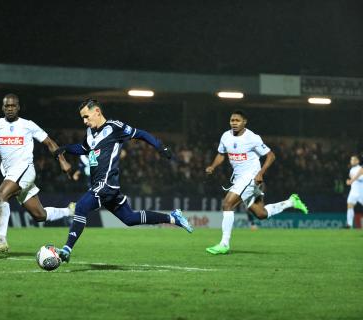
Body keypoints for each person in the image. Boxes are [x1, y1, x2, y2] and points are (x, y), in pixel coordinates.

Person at [53, 99, 193, 262]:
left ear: (97, 111)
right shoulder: (91, 133)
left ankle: (66, 250)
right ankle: (174, 218)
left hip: (105, 185)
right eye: (82, 118)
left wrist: (160, 147)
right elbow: (83, 148)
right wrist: (65, 149)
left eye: (86, 117)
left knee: (82, 206)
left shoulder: (115, 127)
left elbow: (140, 133)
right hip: (103, 186)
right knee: (130, 218)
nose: (84, 121)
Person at [0, 93, 75, 255]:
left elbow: (50, 143)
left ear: (18, 107)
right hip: (11, 174)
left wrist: (62, 161)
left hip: (25, 170)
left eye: (13, 106)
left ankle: (1, 241)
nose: (10, 109)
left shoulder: (28, 125)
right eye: (7, 106)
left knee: (0, 196)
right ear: (2, 107)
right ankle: (71, 211)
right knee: (40, 215)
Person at [205, 110, 308, 255]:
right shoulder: (226, 136)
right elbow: (221, 154)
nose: (234, 123)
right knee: (261, 214)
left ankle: (224, 244)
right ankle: (291, 202)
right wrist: (213, 166)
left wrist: (260, 173)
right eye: (232, 120)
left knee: (227, 204)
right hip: (239, 179)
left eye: (237, 120)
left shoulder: (252, 138)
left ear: (244, 122)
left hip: (251, 177)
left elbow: (271, 156)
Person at [345, 155, 363, 228]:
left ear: (358, 161)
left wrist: (351, 180)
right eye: (351, 160)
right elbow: (352, 180)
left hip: (361, 192)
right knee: (349, 205)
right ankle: (349, 225)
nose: (352, 161)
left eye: (354, 160)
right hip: (353, 192)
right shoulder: (351, 170)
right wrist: (348, 181)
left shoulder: (360, 168)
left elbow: (360, 177)